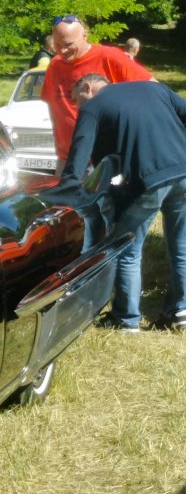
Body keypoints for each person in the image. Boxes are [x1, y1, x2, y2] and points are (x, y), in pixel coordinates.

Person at [63, 74, 186, 331]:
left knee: (127, 249)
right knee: (181, 246)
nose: (76, 106)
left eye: (75, 99)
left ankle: (126, 319)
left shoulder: (94, 105)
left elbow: (79, 152)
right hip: (184, 173)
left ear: (87, 87)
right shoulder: (155, 89)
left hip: (148, 180)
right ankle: (180, 311)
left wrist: (67, 188)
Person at [40, 15, 151, 166]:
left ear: (85, 35)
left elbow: (153, 90)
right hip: (69, 160)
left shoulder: (110, 57)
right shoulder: (55, 65)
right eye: (57, 44)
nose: (62, 50)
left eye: (68, 44)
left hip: (106, 160)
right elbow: (54, 109)